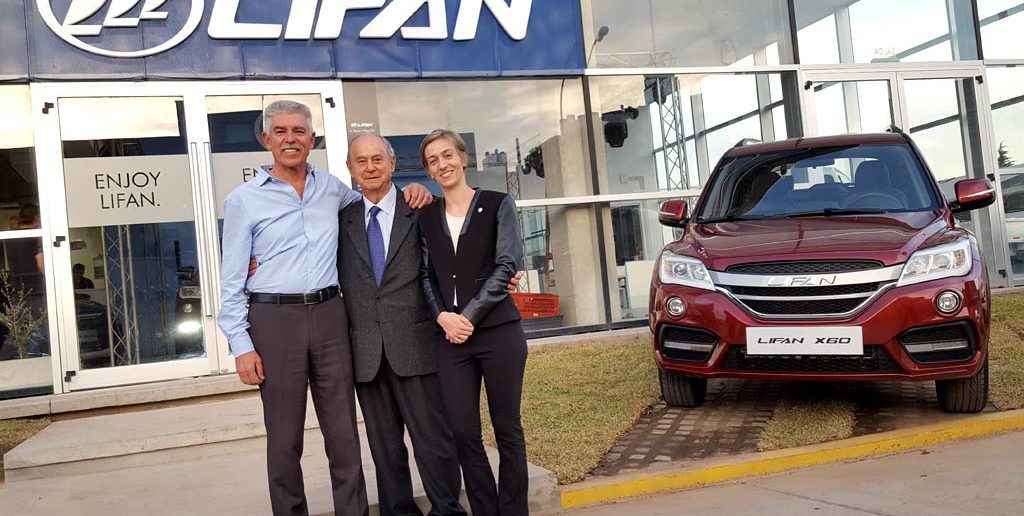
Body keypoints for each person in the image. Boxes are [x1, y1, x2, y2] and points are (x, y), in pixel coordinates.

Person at [217, 100, 432, 516]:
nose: (290, 139)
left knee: (344, 435)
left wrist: (413, 191)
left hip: (332, 316)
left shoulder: (332, 189)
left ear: (312, 139)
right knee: (285, 439)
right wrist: (241, 345)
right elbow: (231, 281)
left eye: (299, 131)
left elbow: (378, 201)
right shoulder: (243, 200)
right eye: (281, 131)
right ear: (266, 139)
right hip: (274, 320)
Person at [337, 133, 467, 516]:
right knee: (385, 449)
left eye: (378, 159)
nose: (370, 167)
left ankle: (447, 510)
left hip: (417, 346)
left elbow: (453, 262)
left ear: (392, 163)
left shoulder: (423, 210)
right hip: (367, 353)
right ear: (350, 168)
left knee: (434, 443)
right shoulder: (341, 221)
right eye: (361, 161)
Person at [418, 129, 529, 516]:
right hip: (451, 340)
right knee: (463, 432)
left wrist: (467, 317)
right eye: (433, 160)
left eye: (448, 155)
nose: (442, 164)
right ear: (429, 171)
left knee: (507, 428)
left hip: (499, 333)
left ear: (463, 158)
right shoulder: (425, 217)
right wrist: (442, 316)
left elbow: (507, 265)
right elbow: (425, 276)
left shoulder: (499, 204)